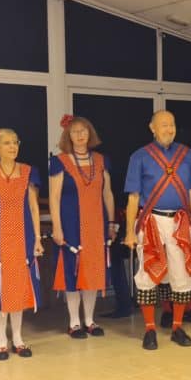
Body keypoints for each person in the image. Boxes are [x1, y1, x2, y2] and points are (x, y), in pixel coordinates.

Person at [123, 110, 191, 350]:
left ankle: (177, 326)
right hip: (151, 221)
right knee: (148, 273)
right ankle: (150, 329)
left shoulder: (187, 156)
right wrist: (130, 231)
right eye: (163, 125)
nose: (169, 129)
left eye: (172, 125)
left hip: (181, 222)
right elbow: (133, 197)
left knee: (181, 273)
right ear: (152, 128)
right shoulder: (139, 157)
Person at [0, 128, 43, 360]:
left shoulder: (28, 172)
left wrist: (38, 239)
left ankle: (19, 339)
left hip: (23, 237)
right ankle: (2, 340)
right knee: (0, 290)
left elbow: (33, 207)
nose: (12, 147)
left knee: (19, 287)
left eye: (15, 142)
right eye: (6, 143)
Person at [49, 114, 116, 339]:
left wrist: (112, 223)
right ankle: (74, 322)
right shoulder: (59, 161)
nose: (79, 135)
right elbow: (54, 197)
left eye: (83, 130)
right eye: (75, 131)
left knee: (93, 272)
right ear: (68, 135)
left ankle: (90, 320)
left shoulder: (101, 159)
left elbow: (107, 193)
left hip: (97, 224)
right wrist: (57, 228)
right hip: (71, 225)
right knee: (72, 272)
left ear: (90, 133)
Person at [158, 160, 191, 327]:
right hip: (167, 224)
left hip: (190, 223)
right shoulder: (162, 170)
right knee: (168, 268)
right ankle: (168, 310)